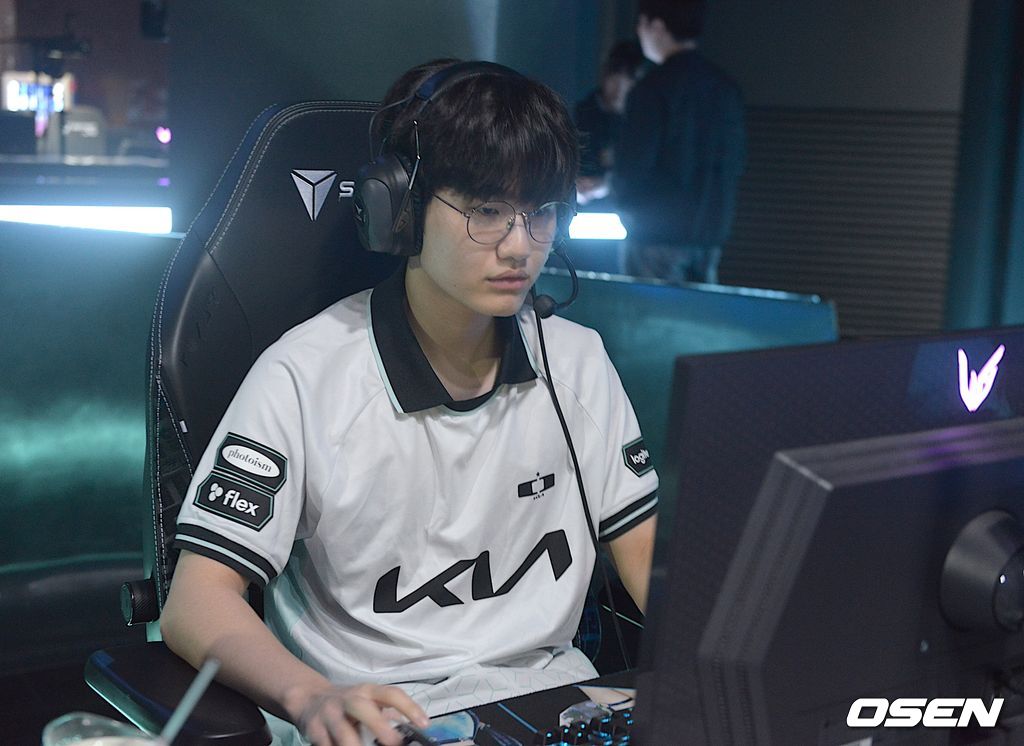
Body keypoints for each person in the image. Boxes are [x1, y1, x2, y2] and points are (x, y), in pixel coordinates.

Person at [160, 58, 659, 746]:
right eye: (487, 211)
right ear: (400, 207)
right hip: (380, 719)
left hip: (557, 705)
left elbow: (647, 560)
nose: (521, 246)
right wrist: (310, 696)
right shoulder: (304, 377)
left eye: (541, 211)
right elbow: (195, 602)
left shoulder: (576, 362)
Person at [614, 0, 746, 284]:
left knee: (653, 310)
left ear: (657, 25)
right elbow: (733, 164)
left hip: (655, 236)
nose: (639, 34)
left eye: (641, 25)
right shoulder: (725, 89)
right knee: (699, 311)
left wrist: (620, 200)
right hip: (709, 235)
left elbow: (634, 165)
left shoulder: (652, 88)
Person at [574, 40, 645, 207]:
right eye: (615, 80)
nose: (620, 90)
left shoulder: (641, 120)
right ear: (605, 77)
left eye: (628, 83)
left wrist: (607, 184)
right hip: (583, 202)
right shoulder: (583, 113)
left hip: (624, 205)